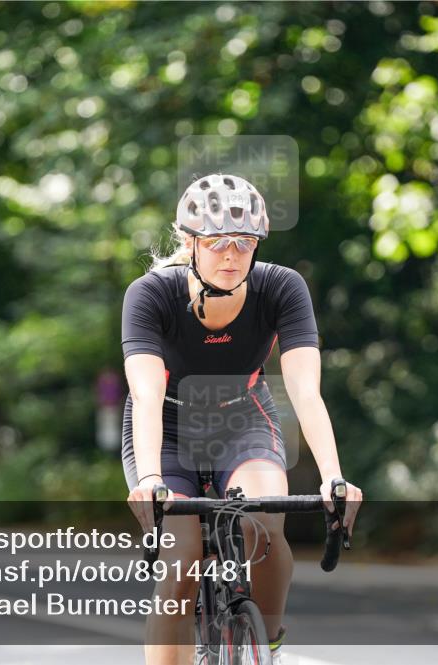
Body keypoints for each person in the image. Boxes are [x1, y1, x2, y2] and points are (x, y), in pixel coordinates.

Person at [121, 174, 363, 665]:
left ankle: (266, 644)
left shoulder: (281, 288)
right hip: (166, 428)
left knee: (264, 528)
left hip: (243, 420)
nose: (231, 255)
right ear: (189, 242)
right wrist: (149, 479)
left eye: (245, 242)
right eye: (216, 243)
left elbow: (305, 391)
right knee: (180, 559)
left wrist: (334, 476)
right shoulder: (149, 295)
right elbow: (146, 394)